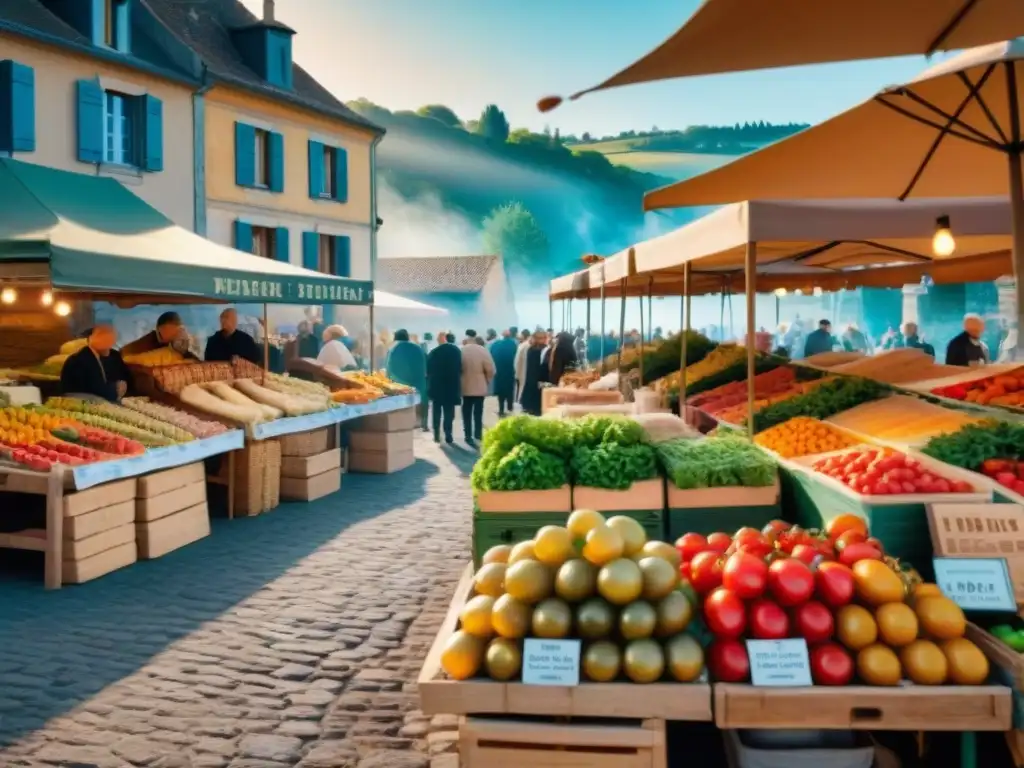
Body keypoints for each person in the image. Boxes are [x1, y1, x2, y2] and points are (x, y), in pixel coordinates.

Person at [60, 325, 131, 403]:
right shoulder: (78, 360)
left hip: (112, 399)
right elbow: (92, 389)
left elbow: (125, 376)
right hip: (85, 403)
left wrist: (123, 385)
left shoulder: (114, 355)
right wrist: (115, 389)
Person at [387, 329, 429, 430]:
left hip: (400, 382)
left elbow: (389, 367)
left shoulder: (394, 348)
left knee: (403, 404)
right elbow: (427, 362)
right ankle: (424, 422)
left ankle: (404, 423)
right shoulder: (417, 348)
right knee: (422, 401)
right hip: (419, 381)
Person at [461, 328, 495, 446]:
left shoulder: (461, 350)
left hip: (465, 385)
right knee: (478, 411)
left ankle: (467, 435)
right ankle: (478, 433)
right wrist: (487, 380)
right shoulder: (482, 350)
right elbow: (490, 369)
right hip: (480, 385)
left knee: (466, 411)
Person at [427, 333, 462, 444]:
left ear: (442, 339)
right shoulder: (456, 351)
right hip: (451, 385)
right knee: (449, 411)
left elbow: (428, 369)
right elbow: (461, 368)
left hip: (437, 386)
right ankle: (448, 434)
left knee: (436, 410)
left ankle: (436, 433)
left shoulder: (434, 352)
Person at [121, 311, 197, 358]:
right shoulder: (144, 345)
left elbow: (194, 362)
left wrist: (183, 351)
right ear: (158, 329)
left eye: (178, 330)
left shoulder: (182, 344)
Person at [520, 330, 549, 416]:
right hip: (541, 379)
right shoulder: (545, 349)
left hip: (530, 379)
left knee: (531, 408)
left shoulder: (530, 349)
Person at [490, 329, 518, 418]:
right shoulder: (514, 344)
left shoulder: (496, 345)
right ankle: (510, 407)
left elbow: (492, 356)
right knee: (510, 389)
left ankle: (501, 409)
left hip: (499, 371)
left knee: (501, 391)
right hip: (510, 371)